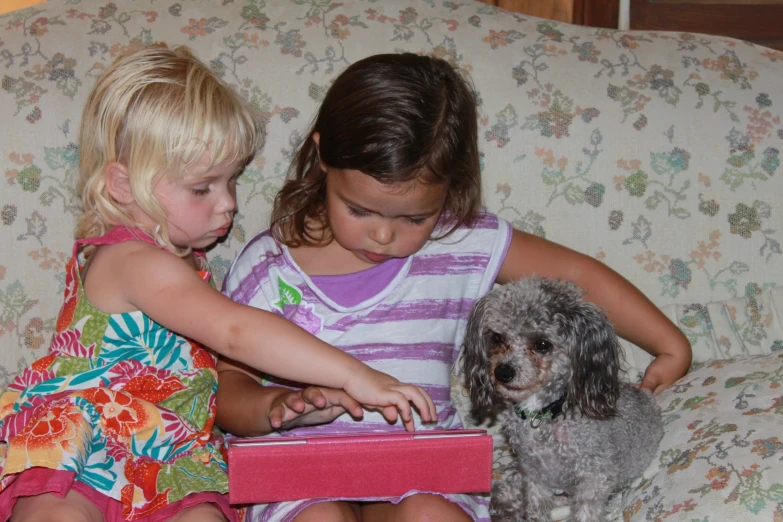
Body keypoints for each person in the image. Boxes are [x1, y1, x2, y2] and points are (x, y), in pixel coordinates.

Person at [216, 53, 693, 522]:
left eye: (414, 217)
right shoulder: (268, 266)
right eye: (359, 210)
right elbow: (227, 389)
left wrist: (669, 344)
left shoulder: (461, 242)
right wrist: (274, 405)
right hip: (298, 473)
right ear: (322, 155)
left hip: (421, 467)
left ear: (451, 187)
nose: (382, 235)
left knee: (432, 517)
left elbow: (579, 279)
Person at [0, 46, 438, 522]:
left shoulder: (188, 263)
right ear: (123, 186)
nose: (228, 204)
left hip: (174, 457)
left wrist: (295, 408)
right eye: (202, 188)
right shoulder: (132, 259)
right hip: (85, 444)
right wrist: (356, 374)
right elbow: (235, 332)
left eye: (232, 181)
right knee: (55, 512)